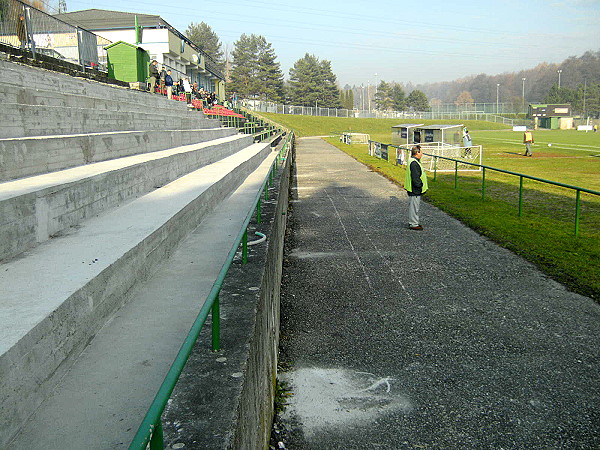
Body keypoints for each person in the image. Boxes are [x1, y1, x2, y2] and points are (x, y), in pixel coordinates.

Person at [404, 145, 428, 230]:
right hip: (415, 189)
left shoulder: (412, 161)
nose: (422, 153)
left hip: (413, 188)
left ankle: (414, 222)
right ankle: (414, 224)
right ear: (417, 152)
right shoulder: (414, 163)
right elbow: (415, 177)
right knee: (414, 207)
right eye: (421, 151)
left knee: (414, 206)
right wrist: (420, 185)